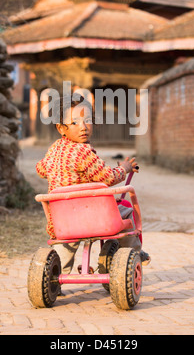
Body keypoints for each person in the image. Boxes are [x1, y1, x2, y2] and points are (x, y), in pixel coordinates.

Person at [36, 95, 150, 274]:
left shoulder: (53, 150)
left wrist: (60, 171)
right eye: (74, 123)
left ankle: (54, 279)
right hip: (92, 217)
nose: (83, 127)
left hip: (62, 221)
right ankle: (135, 252)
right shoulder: (84, 153)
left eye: (87, 120)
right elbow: (107, 178)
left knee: (63, 249)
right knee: (127, 213)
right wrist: (125, 168)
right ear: (61, 128)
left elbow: (41, 169)